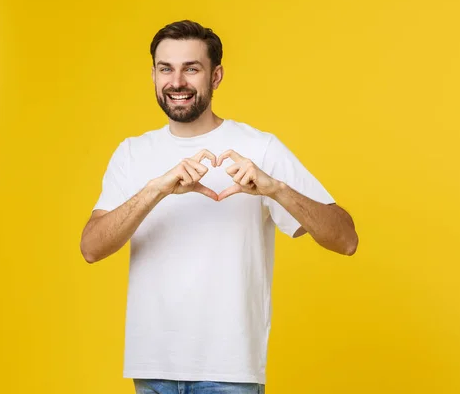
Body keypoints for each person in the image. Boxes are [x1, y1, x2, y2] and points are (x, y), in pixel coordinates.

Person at [80, 20, 359, 394]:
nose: (176, 82)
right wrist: (155, 191)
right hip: (152, 370)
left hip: (229, 373)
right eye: (166, 68)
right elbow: (91, 248)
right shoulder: (133, 153)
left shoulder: (260, 148)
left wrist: (275, 189)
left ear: (216, 76)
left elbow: (346, 239)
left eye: (191, 68)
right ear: (153, 74)